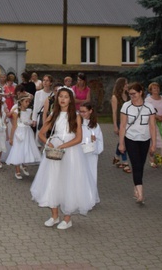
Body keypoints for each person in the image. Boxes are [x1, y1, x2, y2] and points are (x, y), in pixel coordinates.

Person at [30, 87, 97, 230]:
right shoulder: (53, 115)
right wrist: (50, 142)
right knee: (53, 181)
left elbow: (78, 138)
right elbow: (42, 133)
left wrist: (64, 146)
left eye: (66, 97)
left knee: (69, 182)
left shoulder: (76, 116)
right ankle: (54, 216)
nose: (63, 99)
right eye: (60, 96)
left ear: (70, 100)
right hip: (55, 152)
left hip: (71, 152)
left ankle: (67, 218)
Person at [118, 82, 157, 204]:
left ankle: (136, 185)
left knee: (141, 164)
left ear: (141, 92)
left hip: (145, 139)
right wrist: (121, 143)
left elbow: (152, 127)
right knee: (136, 164)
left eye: (134, 94)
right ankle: (140, 193)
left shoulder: (149, 107)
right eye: (130, 94)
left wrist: (154, 143)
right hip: (131, 138)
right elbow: (123, 126)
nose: (132, 96)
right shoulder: (126, 106)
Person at [6, 92, 40, 179]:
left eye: (29, 102)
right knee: (18, 150)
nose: (28, 103)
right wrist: (11, 138)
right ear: (21, 102)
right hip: (19, 133)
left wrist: (31, 123)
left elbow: (28, 120)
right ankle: (17, 171)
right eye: (26, 101)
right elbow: (14, 126)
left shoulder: (29, 111)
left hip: (27, 132)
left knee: (27, 149)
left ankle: (24, 165)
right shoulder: (16, 112)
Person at [145, 82, 162, 171]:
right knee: (153, 142)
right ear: (150, 90)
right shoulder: (148, 100)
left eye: (158, 88)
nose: (156, 89)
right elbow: (147, 111)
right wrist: (156, 117)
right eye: (154, 88)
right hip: (152, 123)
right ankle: (152, 161)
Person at [79, 102, 104, 189]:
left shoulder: (95, 126)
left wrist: (95, 141)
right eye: (80, 111)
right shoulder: (77, 124)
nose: (82, 114)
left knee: (90, 173)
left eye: (84, 111)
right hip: (79, 153)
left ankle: (90, 193)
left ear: (90, 111)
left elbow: (100, 142)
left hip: (91, 154)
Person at [110, 77, 130, 171]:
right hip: (120, 122)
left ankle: (116, 157)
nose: (127, 85)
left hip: (129, 122)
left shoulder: (128, 95)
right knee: (124, 141)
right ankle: (125, 163)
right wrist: (115, 126)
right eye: (125, 84)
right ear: (121, 85)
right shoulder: (115, 97)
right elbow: (114, 112)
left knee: (122, 140)